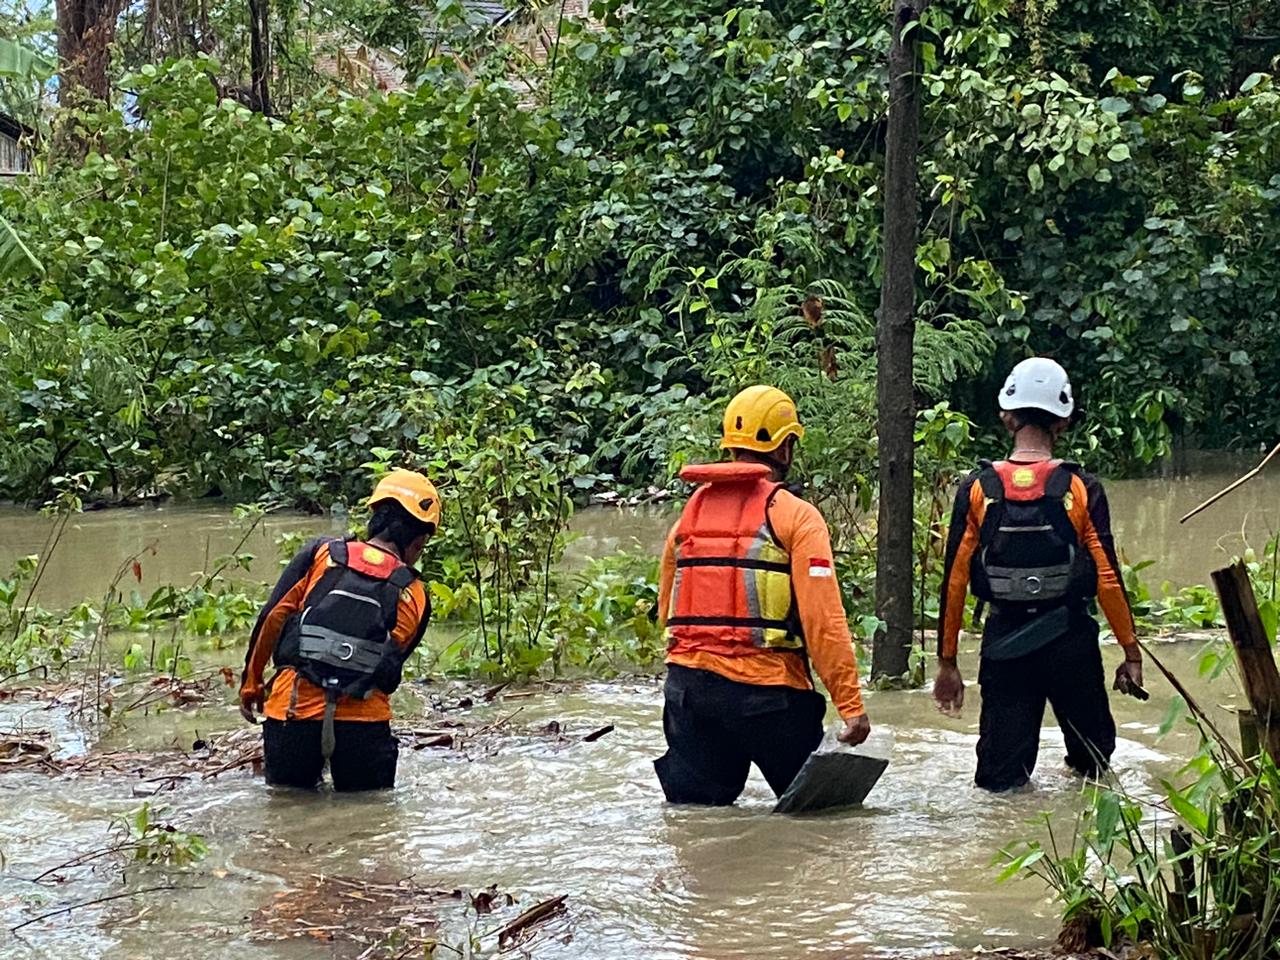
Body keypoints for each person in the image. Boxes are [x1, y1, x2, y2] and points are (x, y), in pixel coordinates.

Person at [933, 357, 1145, 791]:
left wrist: (948, 661)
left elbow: (954, 581)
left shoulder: (977, 489)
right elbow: (1107, 576)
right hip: (1072, 644)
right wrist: (1131, 651)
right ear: (1063, 421)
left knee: (999, 783)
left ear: (1007, 416)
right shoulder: (1081, 487)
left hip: (1005, 647)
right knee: (1094, 771)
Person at [654, 385, 872, 805]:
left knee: (696, 825)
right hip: (769, 700)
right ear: (785, 447)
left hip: (688, 695)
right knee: (828, 821)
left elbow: (669, 608)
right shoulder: (795, 516)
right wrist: (850, 706)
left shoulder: (691, 514)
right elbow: (823, 621)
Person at [238, 468, 438, 791]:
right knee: (369, 823)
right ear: (417, 542)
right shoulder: (415, 594)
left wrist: (251, 685)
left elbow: (272, 618)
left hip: (292, 717)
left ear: (374, 519)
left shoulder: (321, 554)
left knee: (286, 815)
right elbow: (389, 668)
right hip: (362, 730)